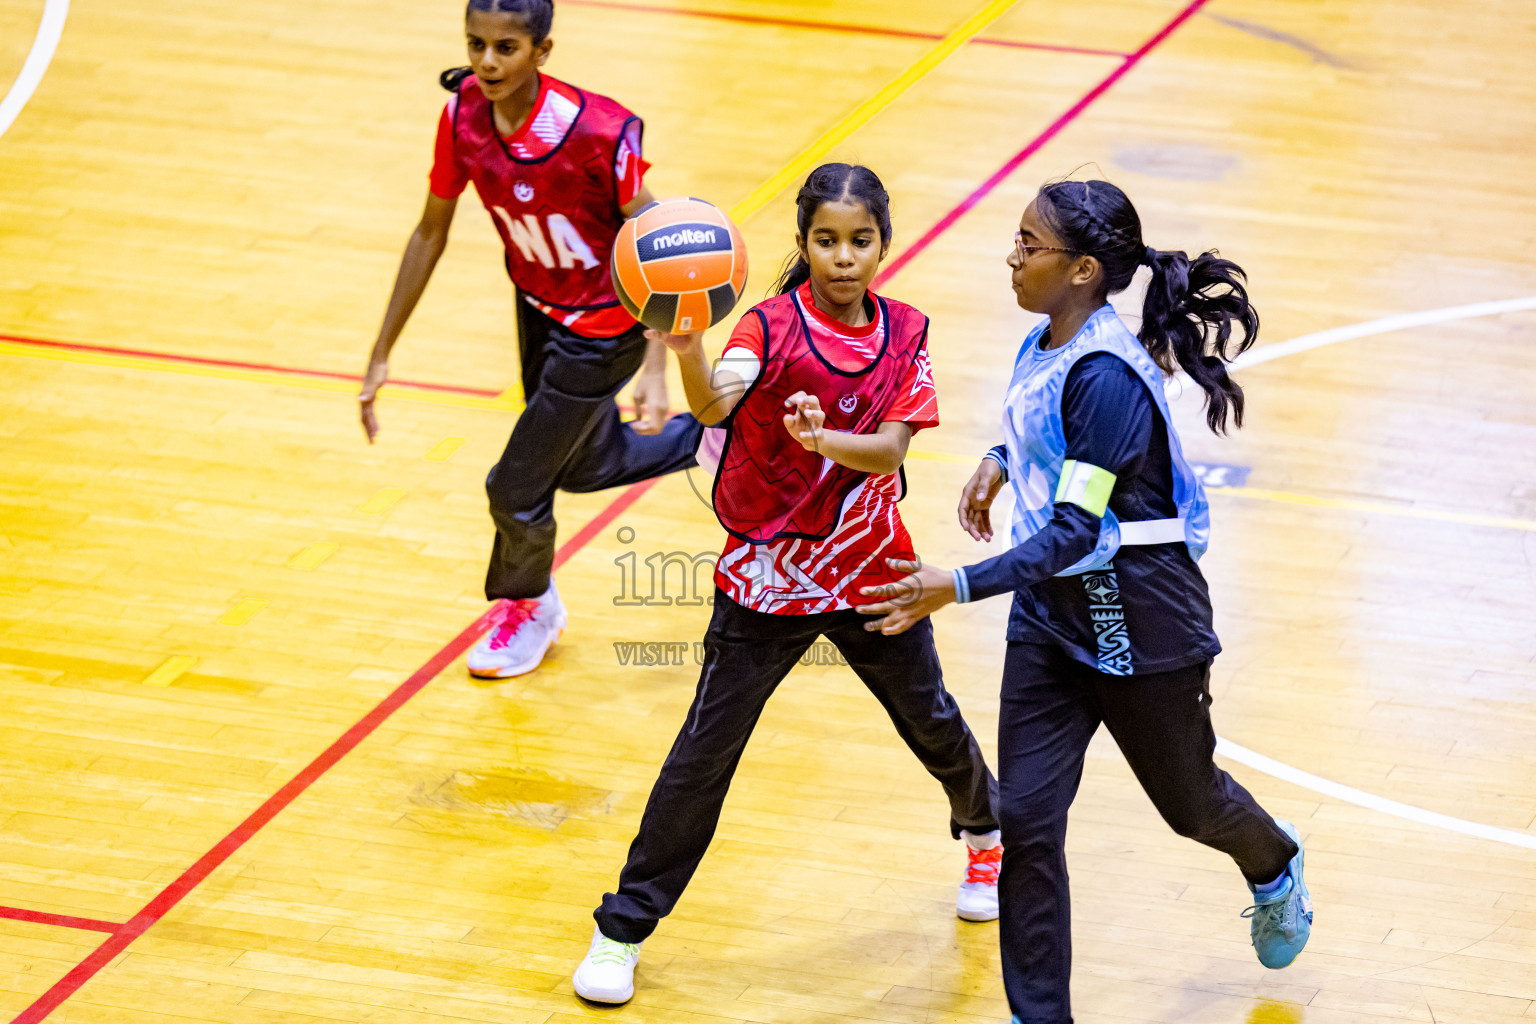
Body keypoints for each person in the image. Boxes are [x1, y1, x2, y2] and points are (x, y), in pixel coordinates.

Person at [859, 179, 1313, 1024]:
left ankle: (1273, 860)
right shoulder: (1046, 340)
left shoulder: (1107, 376)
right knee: (1027, 824)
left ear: (1083, 270)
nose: (1012, 256)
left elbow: (1074, 531)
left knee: (1190, 804)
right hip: (1049, 623)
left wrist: (952, 586)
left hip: (1137, 623)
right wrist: (998, 459)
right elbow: (1042, 426)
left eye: (1030, 246)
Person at [570, 164, 1003, 1005]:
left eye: (860, 241)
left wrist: (822, 440)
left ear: (884, 242)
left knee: (932, 719)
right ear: (802, 245)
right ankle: (620, 931)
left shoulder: (906, 332)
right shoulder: (767, 325)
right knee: (701, 758)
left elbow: (890, 451)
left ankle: (984, 831)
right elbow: (715, 406)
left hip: (875, 574)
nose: (844, 257)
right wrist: (691, 350)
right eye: (826, 241)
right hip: (766, 583)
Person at [357, 0, 701, 678]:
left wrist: (656, 369)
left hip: (606, 326)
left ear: (542, 51)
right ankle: (718, 436)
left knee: (514, 487)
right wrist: (380, 349)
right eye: (476, 44)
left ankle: (529, 605)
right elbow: (431, 230)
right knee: (583, 466)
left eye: (506, 48)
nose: (487, 62)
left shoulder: (601, 132)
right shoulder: (462, 117)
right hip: (539, 307)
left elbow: (657, 243)